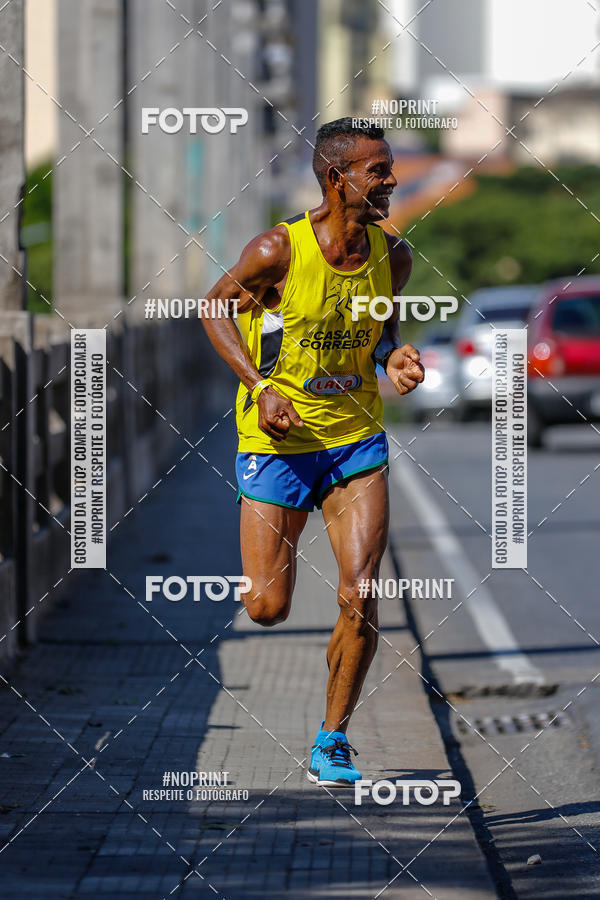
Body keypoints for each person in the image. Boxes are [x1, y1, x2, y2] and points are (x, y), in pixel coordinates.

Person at [202, 118, 424, 786]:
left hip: (354, 440)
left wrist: (396, 357)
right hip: (278, 442)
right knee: (267, 607)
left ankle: (333, 739)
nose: (392, 180)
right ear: (338, 178)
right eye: (379, 170)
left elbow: (381, 328)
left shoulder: (394, 255)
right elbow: (215, 308)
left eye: (389, 168)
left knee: (362, 587)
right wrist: (260, 385)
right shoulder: (278, 250)